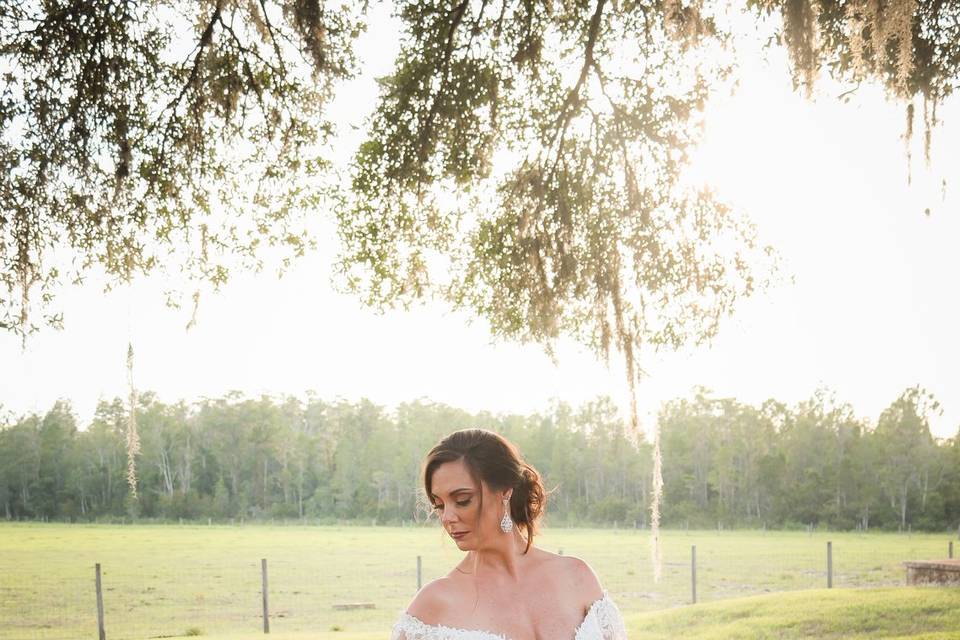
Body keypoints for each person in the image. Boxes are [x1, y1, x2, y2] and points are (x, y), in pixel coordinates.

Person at [390, 429, 628, 640]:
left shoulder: (578, 577)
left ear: (505, 492)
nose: (447, 517)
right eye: (439, 505)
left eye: (462, 500)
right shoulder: (434, 605)